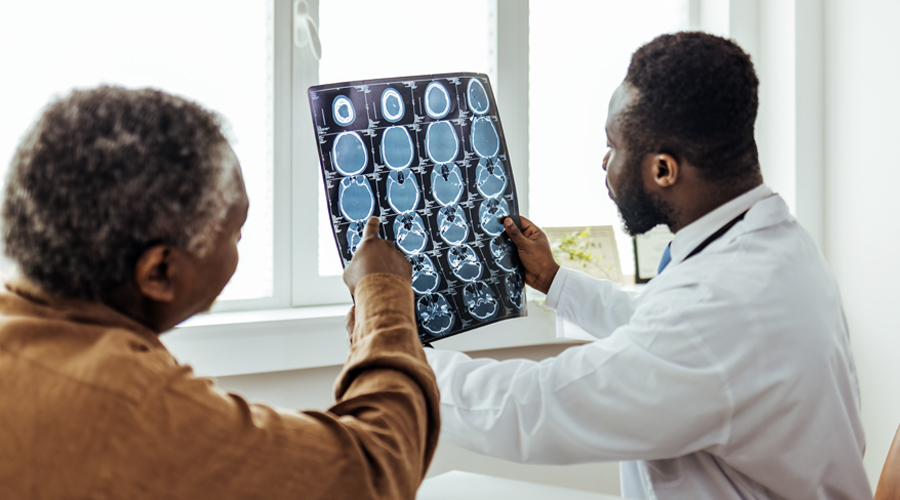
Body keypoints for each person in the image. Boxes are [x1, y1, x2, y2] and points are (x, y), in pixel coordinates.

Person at [425, 32, 871, 499]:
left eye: (614, 146)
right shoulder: (774, 245)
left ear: (663, 169)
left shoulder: (722, 301)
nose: (605, 163)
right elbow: (664, 334)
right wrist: (555, 281)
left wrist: (395, 354)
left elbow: (536, 408)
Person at [0, 86, 439, 499]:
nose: (239, 243)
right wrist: (382, 292)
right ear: (159, 272)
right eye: (237, 230)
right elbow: (374, 469)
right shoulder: (134, 404)